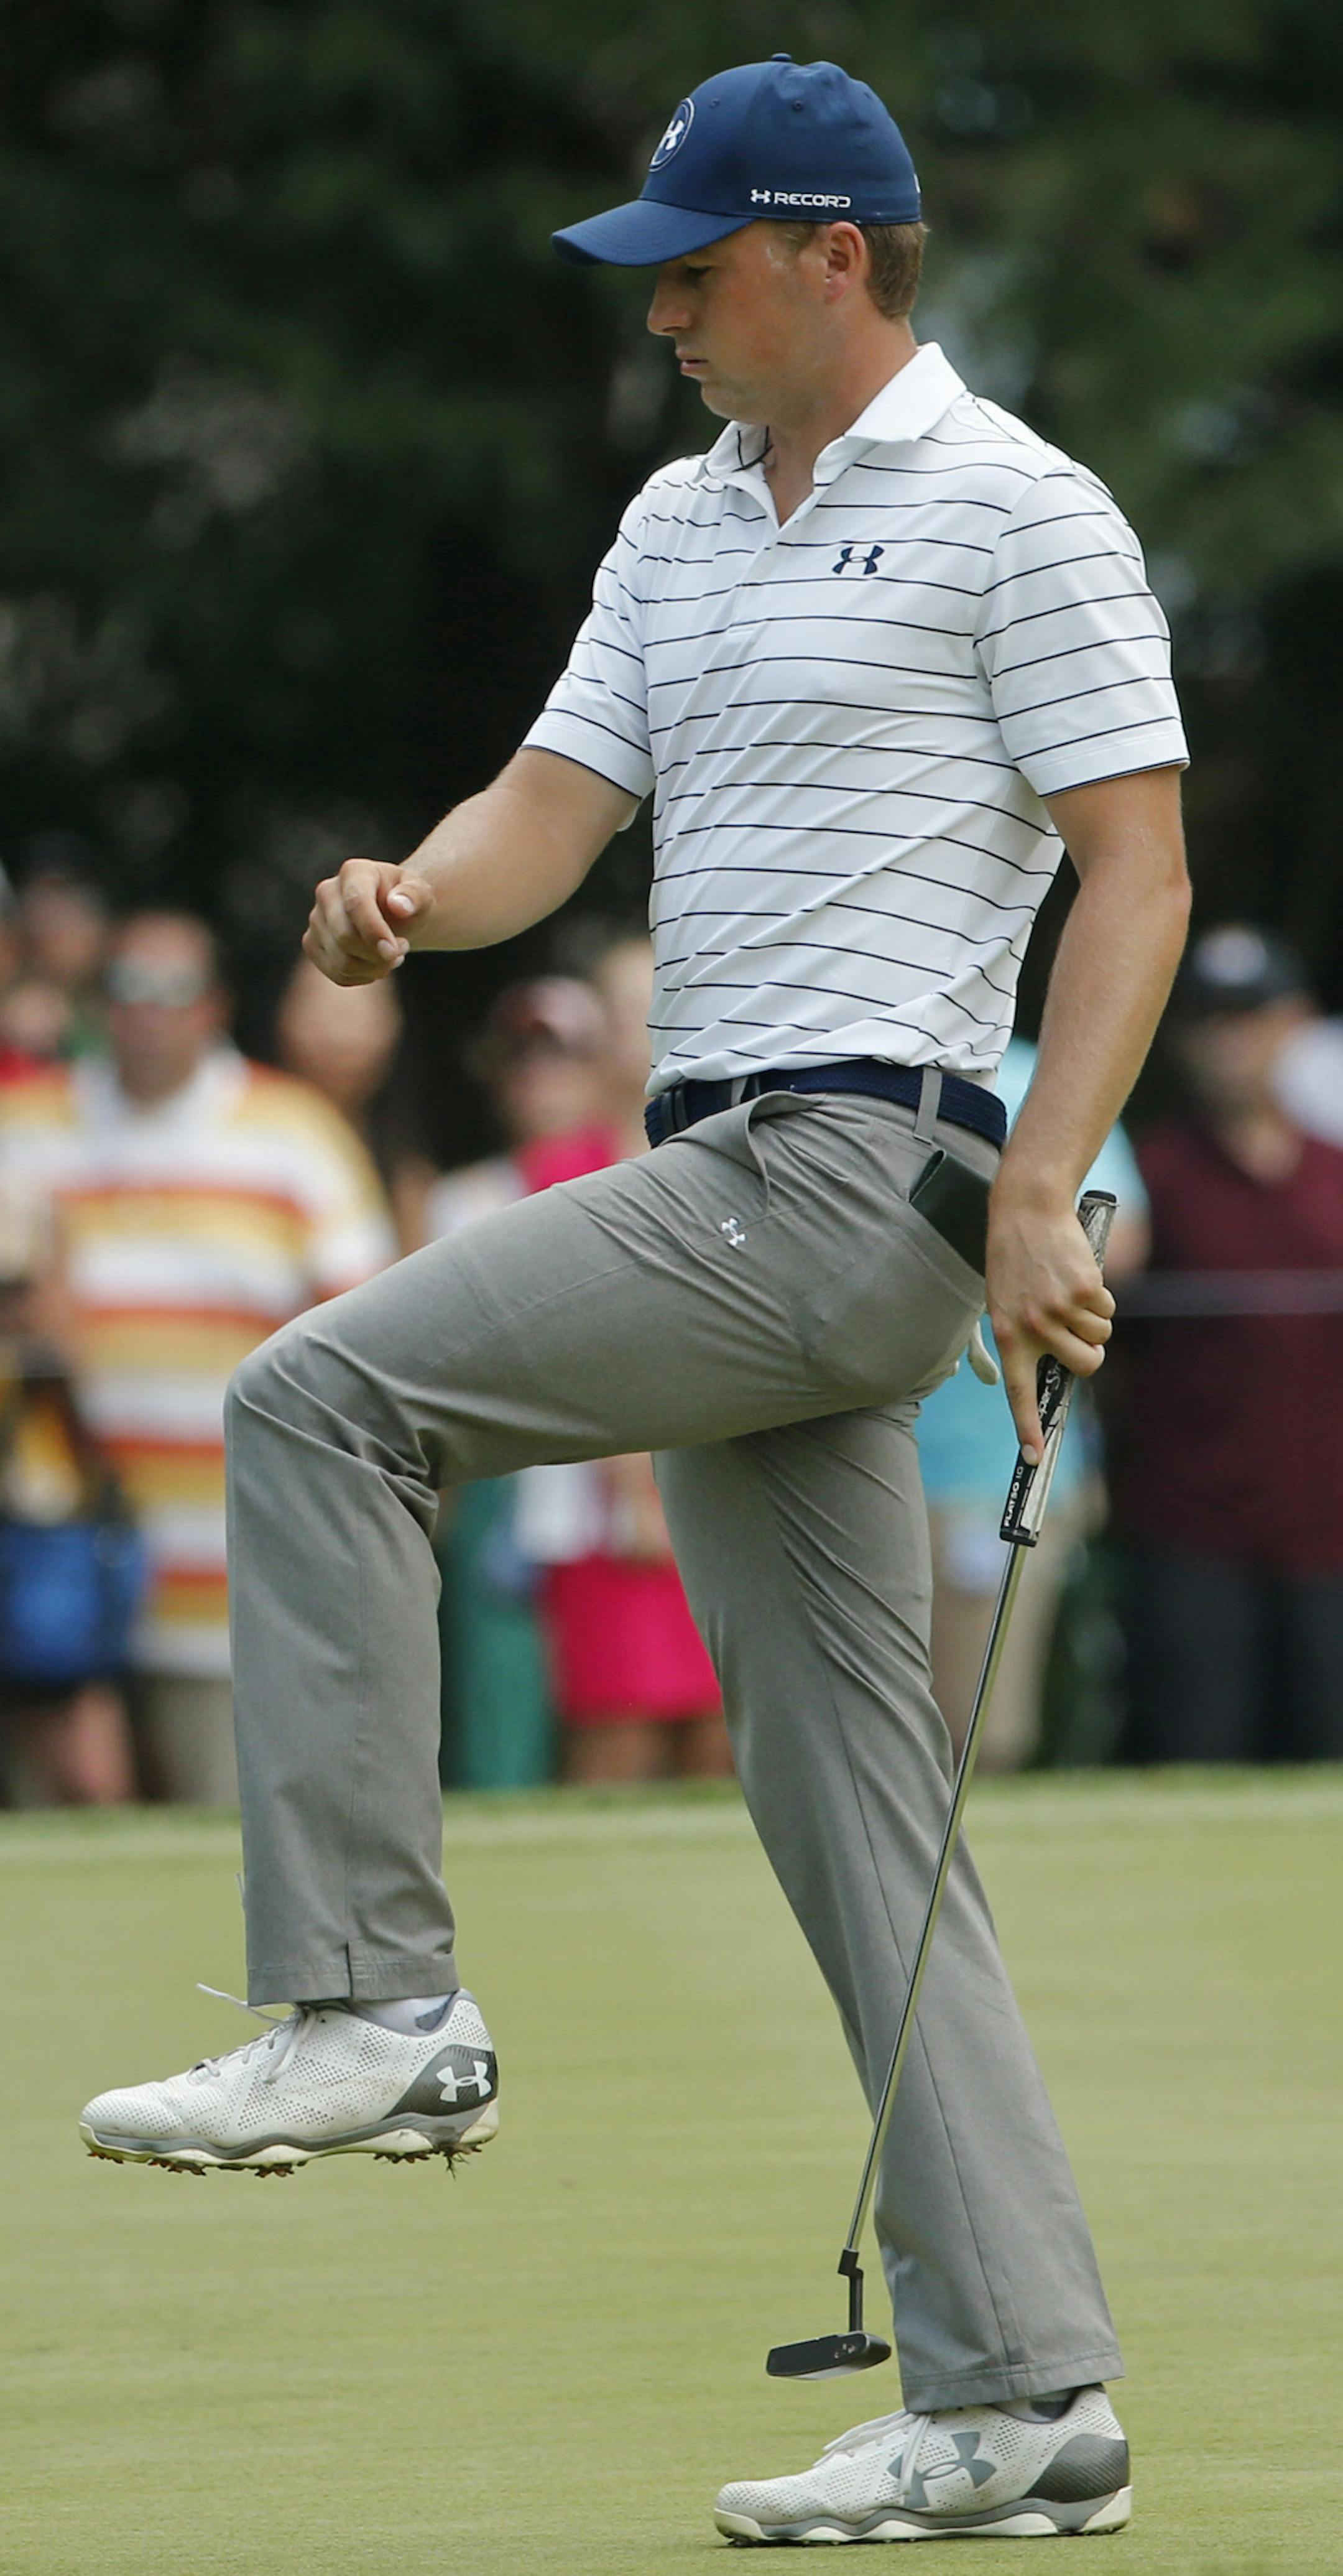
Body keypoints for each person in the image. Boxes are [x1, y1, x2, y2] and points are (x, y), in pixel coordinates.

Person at [80, 58, 1191, 2547]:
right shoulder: (681, 517)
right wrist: (411, 898)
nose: (661, 314)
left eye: (694, 271)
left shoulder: (1022, 506)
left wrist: (1045, 1189)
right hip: (729, 1175)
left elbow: (1136, 872)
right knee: (861, 1817)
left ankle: (373, 2001)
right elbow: (551, 811)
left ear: (833, 256)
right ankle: (1026, 2392)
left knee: (318, 1400)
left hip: (859, 1170)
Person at [0, 912, 394, 1803]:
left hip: (230, 1570)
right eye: (127, 989)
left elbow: (368, 1336)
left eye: (170, 991)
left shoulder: (295, 1130)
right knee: (52, 1837)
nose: (147, 1012)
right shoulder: (22, 1123)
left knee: (229, 1828)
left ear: (213, 1004)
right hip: (44, 1570)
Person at [1113, 924, 1343, 1763]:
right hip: (1188, 1531)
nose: (1230, 1041)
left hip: (1331, 1534)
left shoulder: (1338, 1172)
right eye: (1210, 1019)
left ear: (1296, 1024)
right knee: (1193, 1757)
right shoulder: (1148, 1175)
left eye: (1250, 1017)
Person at [916, 1034, 1148, 1769]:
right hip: (852, 1453)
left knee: (981, 1728)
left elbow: (1120, 1241)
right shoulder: (861, 1063)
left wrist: (1012, 1228)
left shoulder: (1038, 1078)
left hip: (994, 1467)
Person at [532, 938, 729, 1785]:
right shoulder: (560, 1170)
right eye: (623, 1013)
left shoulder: (729, 1157)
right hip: (603, 1508)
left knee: (724, 1735)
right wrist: (636, 1488)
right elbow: (568, 1342)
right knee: (617, 1735)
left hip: (719, 1486)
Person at [427, 978, 611, 1792]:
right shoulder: (462, 1201)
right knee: (502, 1729)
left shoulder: (640, 1182)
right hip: (506, 1488)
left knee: (616, 1730)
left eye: (563, 1054)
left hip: (608, 1492)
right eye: (524, 1056)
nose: (542, 1074)